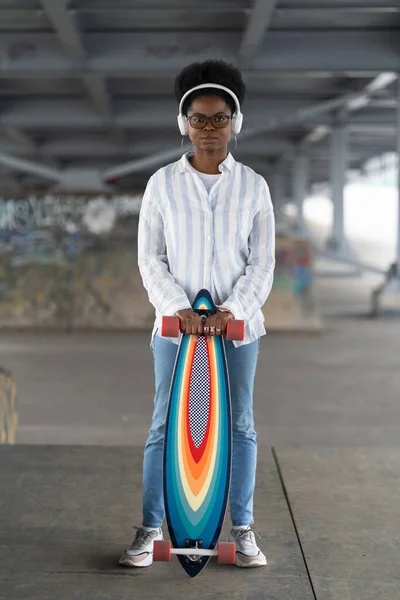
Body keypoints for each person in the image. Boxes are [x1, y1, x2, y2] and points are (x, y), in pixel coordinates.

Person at [119, 59, 275, 569]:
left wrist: (235, 309)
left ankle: (244, 529)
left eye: (220, 118)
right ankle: (150, 528)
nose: (209, 129)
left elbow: (262, 262)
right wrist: (177, 307)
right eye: (199, 119)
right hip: (175, 332)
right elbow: (150, 258)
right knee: (165, 426)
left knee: (240, 426)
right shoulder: (162, 185)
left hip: (237, 332)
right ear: (184, 123)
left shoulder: (253, 186)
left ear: (235, 122)